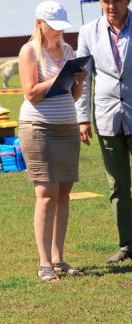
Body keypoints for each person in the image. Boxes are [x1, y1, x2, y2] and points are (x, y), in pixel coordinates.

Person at [19, 1, 86, 281]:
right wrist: (60, 76)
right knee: (45, 196)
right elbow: (31, 93)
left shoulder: (69, 51)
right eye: (54, 27)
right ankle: (44, 263)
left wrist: (78, 79)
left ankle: (58, 259)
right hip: (39, 129)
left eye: (62, 28)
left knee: (63, 194)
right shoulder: (29, 51)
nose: (59, 33)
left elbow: (72, 96)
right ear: (39, 24)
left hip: (67, 128)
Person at [77, 0, 132, 264]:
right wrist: (82, 119)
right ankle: (127, 244)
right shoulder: (88, 32)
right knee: (117, 186)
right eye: (106, 0)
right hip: (108, 119)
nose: (111, 5)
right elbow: (84, 78)